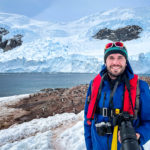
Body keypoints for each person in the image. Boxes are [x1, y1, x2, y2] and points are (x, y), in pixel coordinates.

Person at [84, 42, 150, 150]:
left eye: (120, 57)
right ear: (105, 61)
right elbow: (88, 121)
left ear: (126, 61)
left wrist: (139, 135)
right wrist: (89, 147)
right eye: (111, 58)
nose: (115, 62)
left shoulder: (140, 87)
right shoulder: (94, 85)